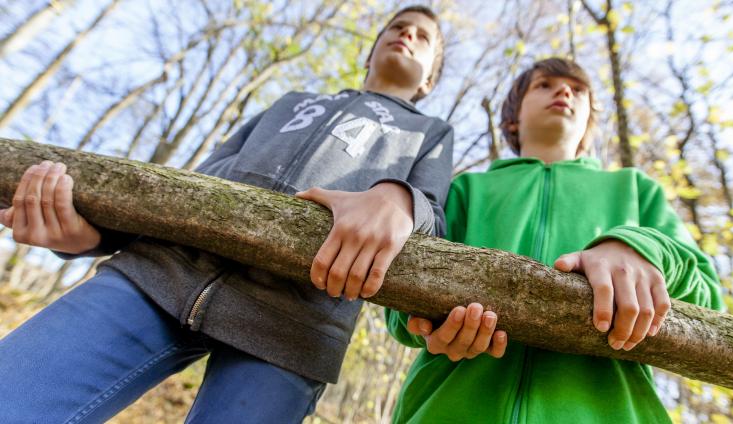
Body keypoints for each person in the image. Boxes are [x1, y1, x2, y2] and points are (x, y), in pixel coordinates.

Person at [0, 6, 453, 423]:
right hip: (158, 273)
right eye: (396, 26)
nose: (407, 34)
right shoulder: (290, 101)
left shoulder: (430, 133)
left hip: (295, 329)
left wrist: (397, 198)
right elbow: (188, 186)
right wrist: (94, 236)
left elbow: (430, 217)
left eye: (422, 36)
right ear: (370, 51)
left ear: (429, 80)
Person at [386, 57, 723, 423]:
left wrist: (642, 248)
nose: (564, 91)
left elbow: (706, 295)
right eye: (544, 85)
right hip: (445, 410)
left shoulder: (635, 190)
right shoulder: (465, 189)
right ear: (513, 118)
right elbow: (401, 294)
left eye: (578, 90)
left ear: (588, 126)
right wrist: (424, 325)